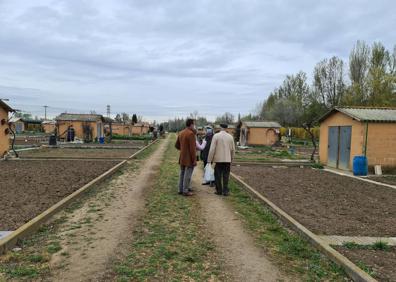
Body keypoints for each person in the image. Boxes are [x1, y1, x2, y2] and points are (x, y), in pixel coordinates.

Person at [207, 123, 235, 196]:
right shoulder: (230, 137)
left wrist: (209, 160)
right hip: (227, 160)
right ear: (226, 128)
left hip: (218, 159)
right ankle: (225, 191)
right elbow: (233, 150)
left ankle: (219, 190)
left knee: (218, 175)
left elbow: (212, 149)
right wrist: (231, 159)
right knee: (226, 175)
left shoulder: (216, 136)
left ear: (220, 128)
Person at [175, 119, 197, 196]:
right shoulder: (191, 134)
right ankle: (185, 190)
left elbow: (177, 145)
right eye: (193, 124)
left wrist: (183, 150)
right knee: (187, 175)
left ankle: (180, 189)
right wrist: (194, 160)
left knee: (182, 173)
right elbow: (192, 149)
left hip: (182, 157)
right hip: (189, 158)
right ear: (191, 125)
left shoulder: (181, 132)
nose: (194, 126)